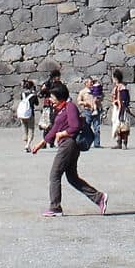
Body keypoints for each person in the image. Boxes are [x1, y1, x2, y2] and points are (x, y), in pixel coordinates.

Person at [28, 85, 106, 218]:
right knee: (72, 177)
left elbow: (75, 126)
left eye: (52, 97)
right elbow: (54, 129)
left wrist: (63, 134)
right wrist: (41, 144)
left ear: (60, 97)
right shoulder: (61, 109)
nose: (50, 100)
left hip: (69, 144)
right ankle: (99, 198)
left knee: (55, 174)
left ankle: (55, 207)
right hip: (67, 144)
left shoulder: (70, 107)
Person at [79, 77, 104, 148]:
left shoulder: (96, 90)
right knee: (87, 127)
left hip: (96, 110)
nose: (92, 84)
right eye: (90, 82)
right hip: (87, 111)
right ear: (86, 83)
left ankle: (97, 143)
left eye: (92, 82)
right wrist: (85, 103)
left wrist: (99, 98)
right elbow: (79, 101)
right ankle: (86, 142)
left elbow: (102, 97)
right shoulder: (83, 92)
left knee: (97, 127)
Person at [15, 80, 38, 147]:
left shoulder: (22, 94)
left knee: (25, 129)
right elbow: (36, 103)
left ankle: (26, 143)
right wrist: (35, 94)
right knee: (31, 129)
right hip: (30, 114)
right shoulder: (33, 95)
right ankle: (28, 145)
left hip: (22, 114)